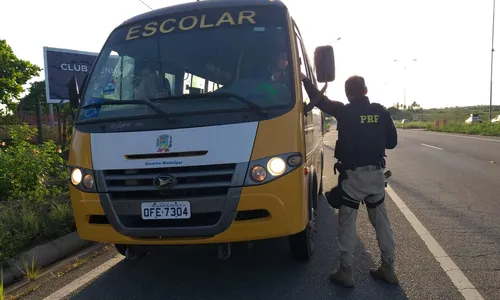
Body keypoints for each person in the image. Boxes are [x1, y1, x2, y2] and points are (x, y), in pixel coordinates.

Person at [300, 73, 398, 288]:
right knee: (381, 222)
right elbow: (391, 143)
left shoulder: (345, 112)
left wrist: (305, 80)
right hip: (376, 176)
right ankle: (388, 268)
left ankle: (346, 272)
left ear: (347, 94)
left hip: (353, 178)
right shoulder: (381, 112)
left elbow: (321, 100)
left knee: (347, 223)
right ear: (365, 91)